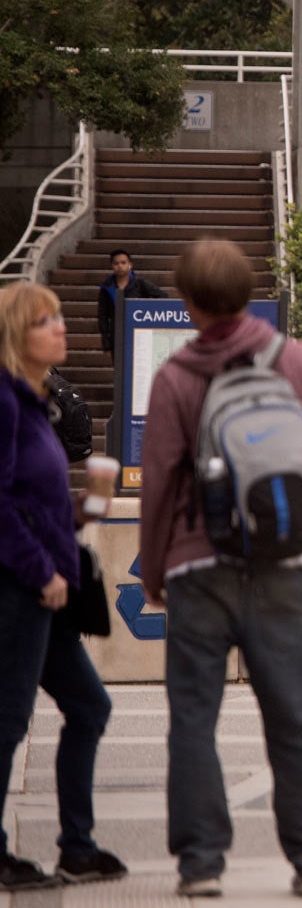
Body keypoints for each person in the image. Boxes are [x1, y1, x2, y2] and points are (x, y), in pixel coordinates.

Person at [138, 239, 302, 900]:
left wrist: (154, 570)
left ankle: (201, 863)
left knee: (194, 717)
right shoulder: (301, 364)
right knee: (293, 713)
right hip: (281, 563)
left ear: (190, 301)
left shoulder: (175, 378)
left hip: (198, 569)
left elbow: (162, 486)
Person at [0, 283, 124, 892]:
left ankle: (78, 846)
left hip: (44, 591)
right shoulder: (4, 404)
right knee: (6, 720)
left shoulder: (35, 403)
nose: (60, 327)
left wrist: (80, 510)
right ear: (15, 338)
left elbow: (29, 499)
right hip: (19, 590)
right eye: (44, 321)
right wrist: (39, 569)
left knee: (89, 705)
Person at [95, 250, 167, 365]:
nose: (120, 266)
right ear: (112, 266)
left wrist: (146, 313)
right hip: (117, 333)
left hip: (139, 332)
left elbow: (162, 296)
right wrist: (106, 341)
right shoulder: (107, 287)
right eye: (116, 263)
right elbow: (102, 315)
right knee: (119, 367)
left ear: (130, 265)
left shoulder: (140, 283)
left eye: (123, 263)